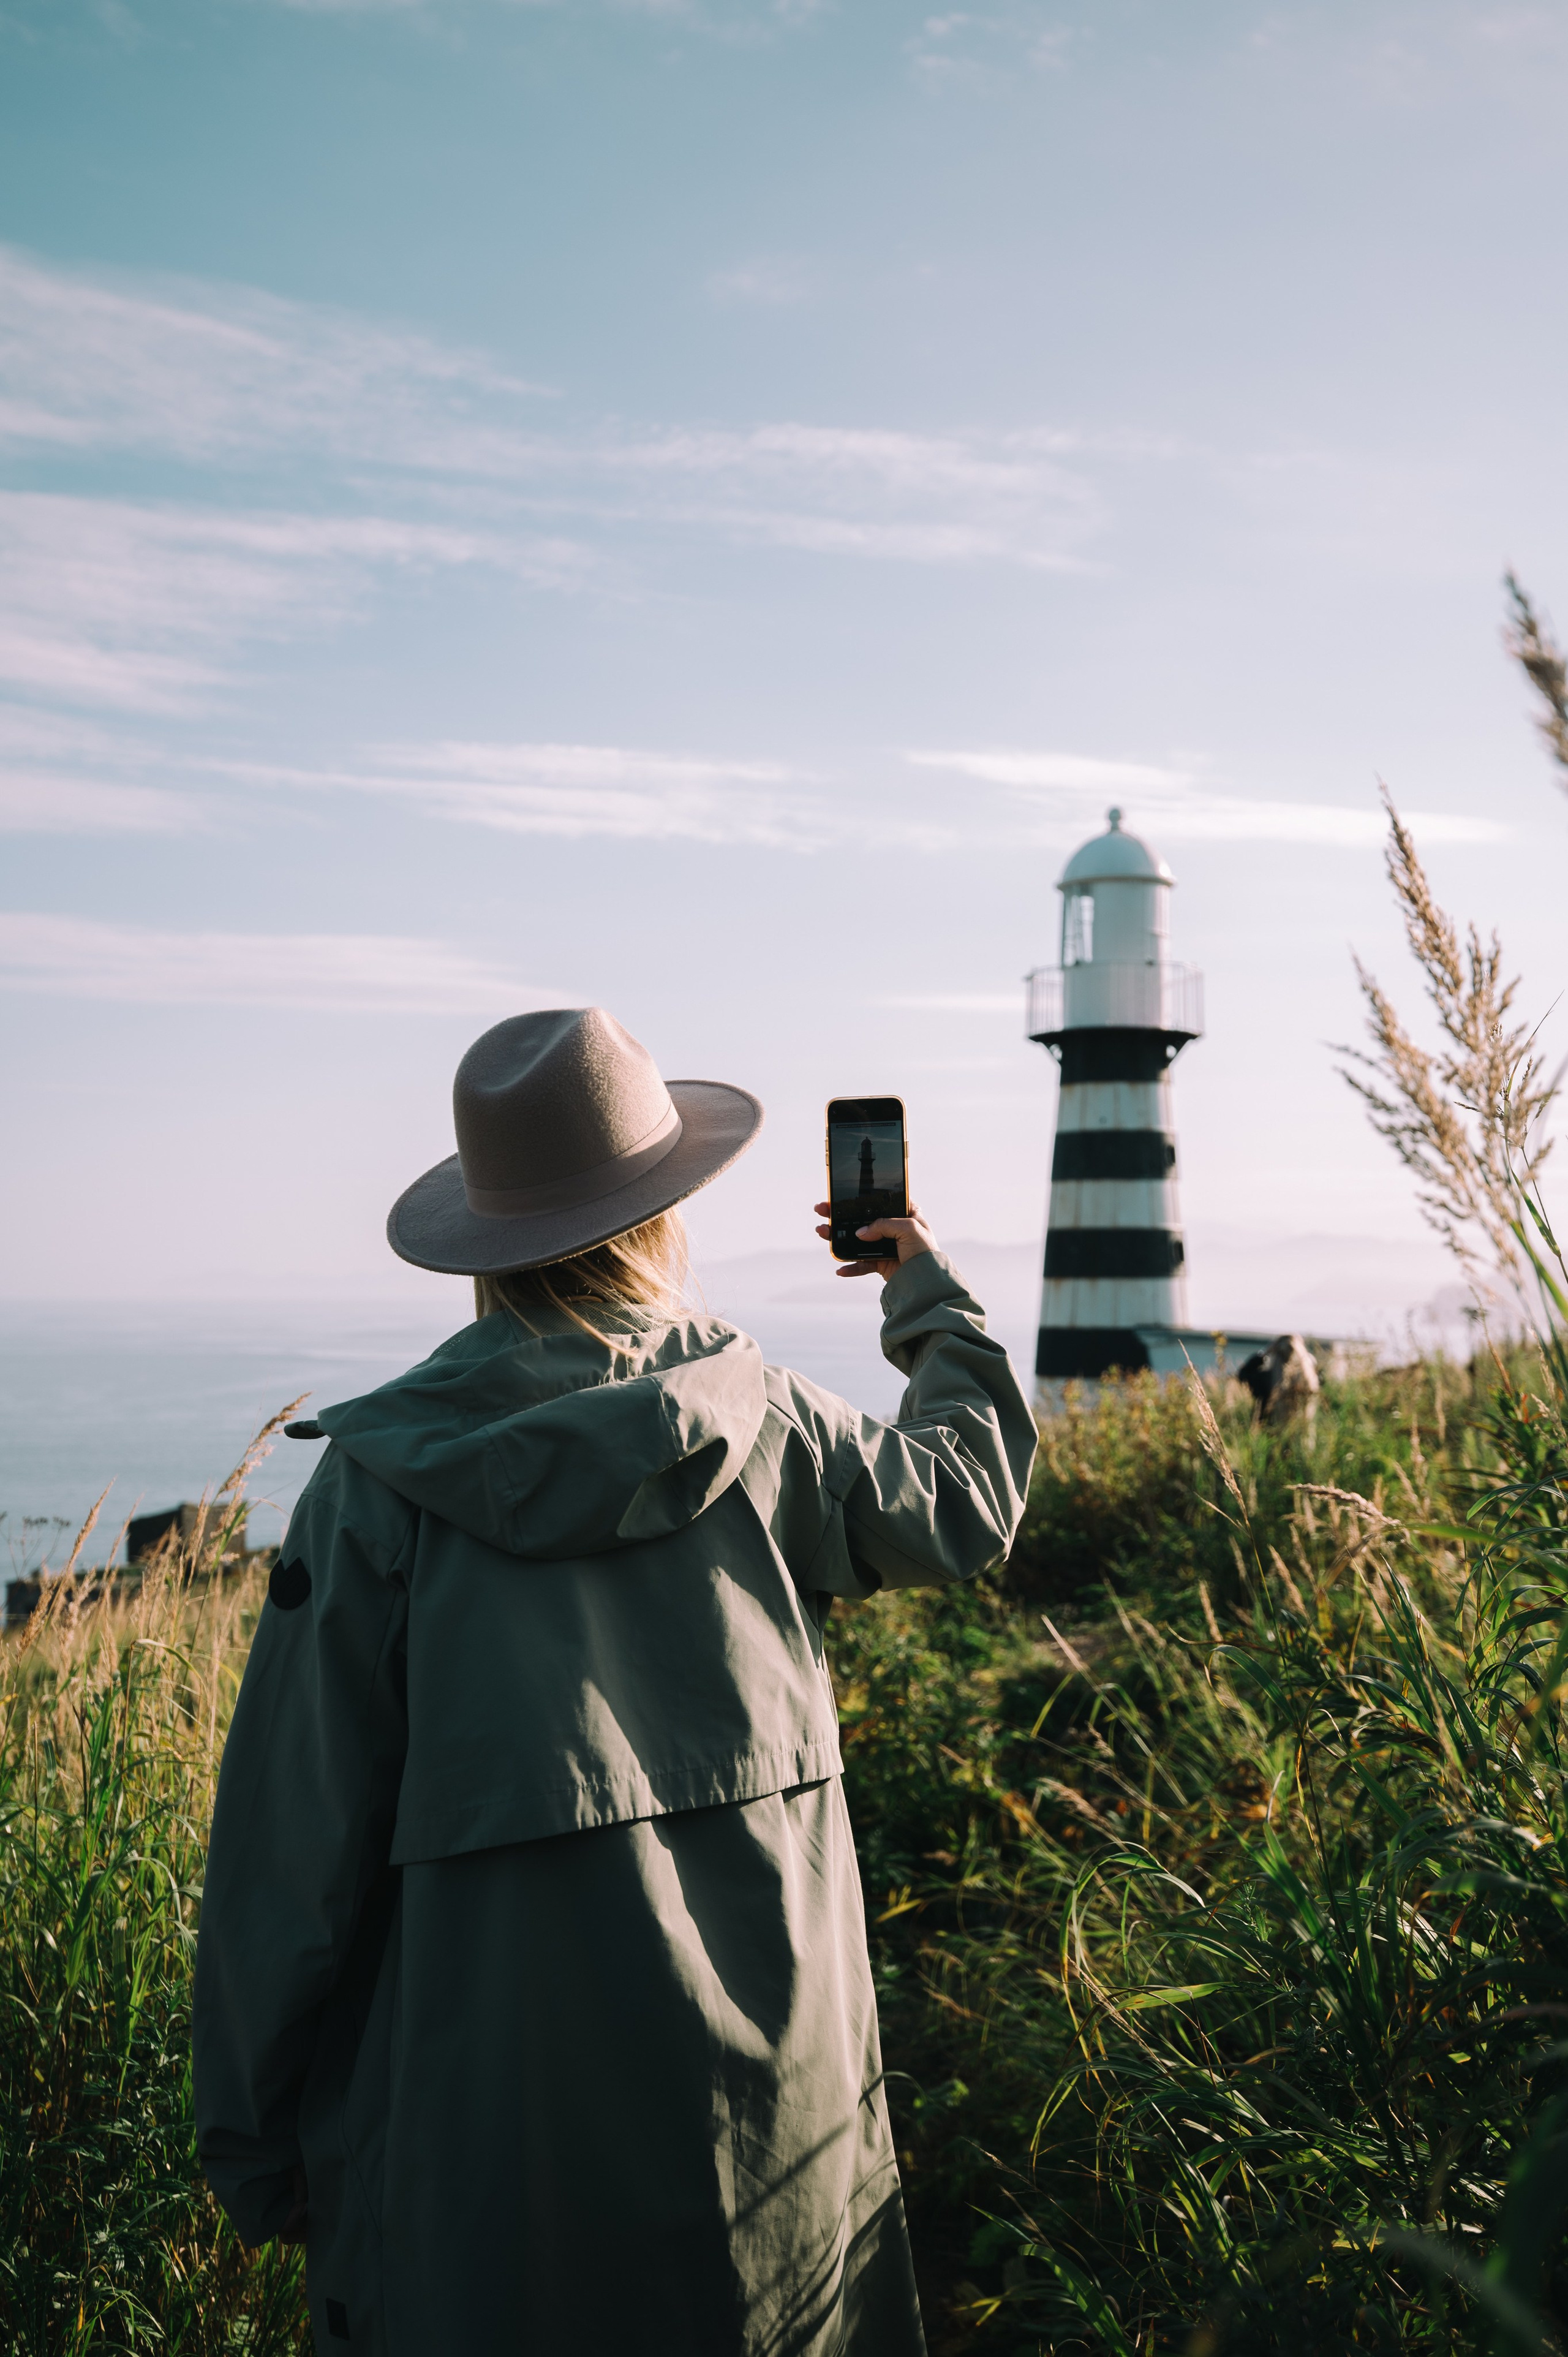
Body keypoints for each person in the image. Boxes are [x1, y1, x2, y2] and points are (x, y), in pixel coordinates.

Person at [193, 1006, 1038, 2357]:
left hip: (494, 2126)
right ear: (663, 1210)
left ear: (488, 1235)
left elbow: (289, 1851)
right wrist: (918, 1278)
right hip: (776, 2108)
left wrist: (252, 2135)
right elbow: (965, 1504)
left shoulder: (376, 1485)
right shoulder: (766, 1420)